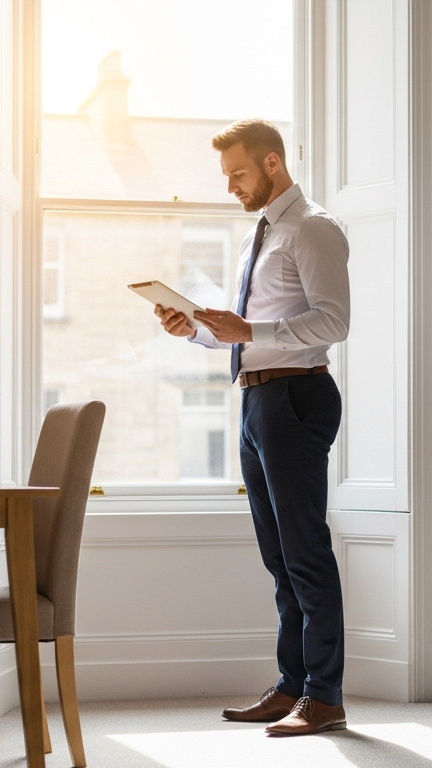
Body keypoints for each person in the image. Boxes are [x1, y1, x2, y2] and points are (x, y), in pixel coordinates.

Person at [153, 118, 351, 736]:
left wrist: (249, 332)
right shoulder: (258, 237)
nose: (231, 186)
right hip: (257, 400)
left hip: (297, 398)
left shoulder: (312, 227)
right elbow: (250, 335)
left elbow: (334, 322)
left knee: (305, 550)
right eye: (226, 177)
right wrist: (199, 332)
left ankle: (325, 696)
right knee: (278, 556)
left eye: (238, 173)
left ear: (271, 163)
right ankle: (294, 686)